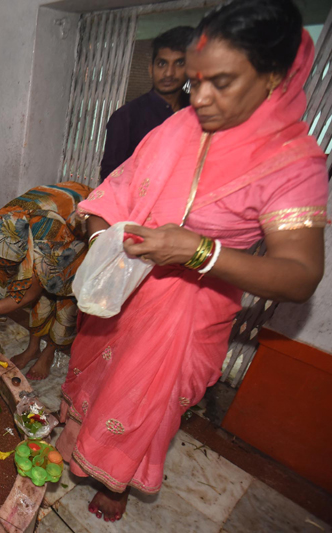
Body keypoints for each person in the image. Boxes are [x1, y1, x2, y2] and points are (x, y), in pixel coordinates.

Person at [56, 0, 327, 522]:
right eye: (193, 81)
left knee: (147, 402)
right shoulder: (179, 125)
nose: (199, 98)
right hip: (125, 284)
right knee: (97, 376)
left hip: (189, 308)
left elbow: (299, 276)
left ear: (272, 76)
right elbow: (121, 187)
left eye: (220, 83)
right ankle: (81, 441)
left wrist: (198, 250)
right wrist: (99, 234)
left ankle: (118, 478)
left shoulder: (293, 163)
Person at [0, 182, 92, 380]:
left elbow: (25, 296)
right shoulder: (1, 223)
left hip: (73, 233)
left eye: (3, 267)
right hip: (52, 213)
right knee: (39, 301)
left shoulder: (44, 243)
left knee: (62, 299)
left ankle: (48, 353)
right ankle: (32, 349)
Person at [99, 26, 193, 181]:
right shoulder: (126, 117)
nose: (169, 73)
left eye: (179, 63)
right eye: (162, 64)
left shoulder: (198, 111)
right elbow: (111, 178)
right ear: (151, 69)